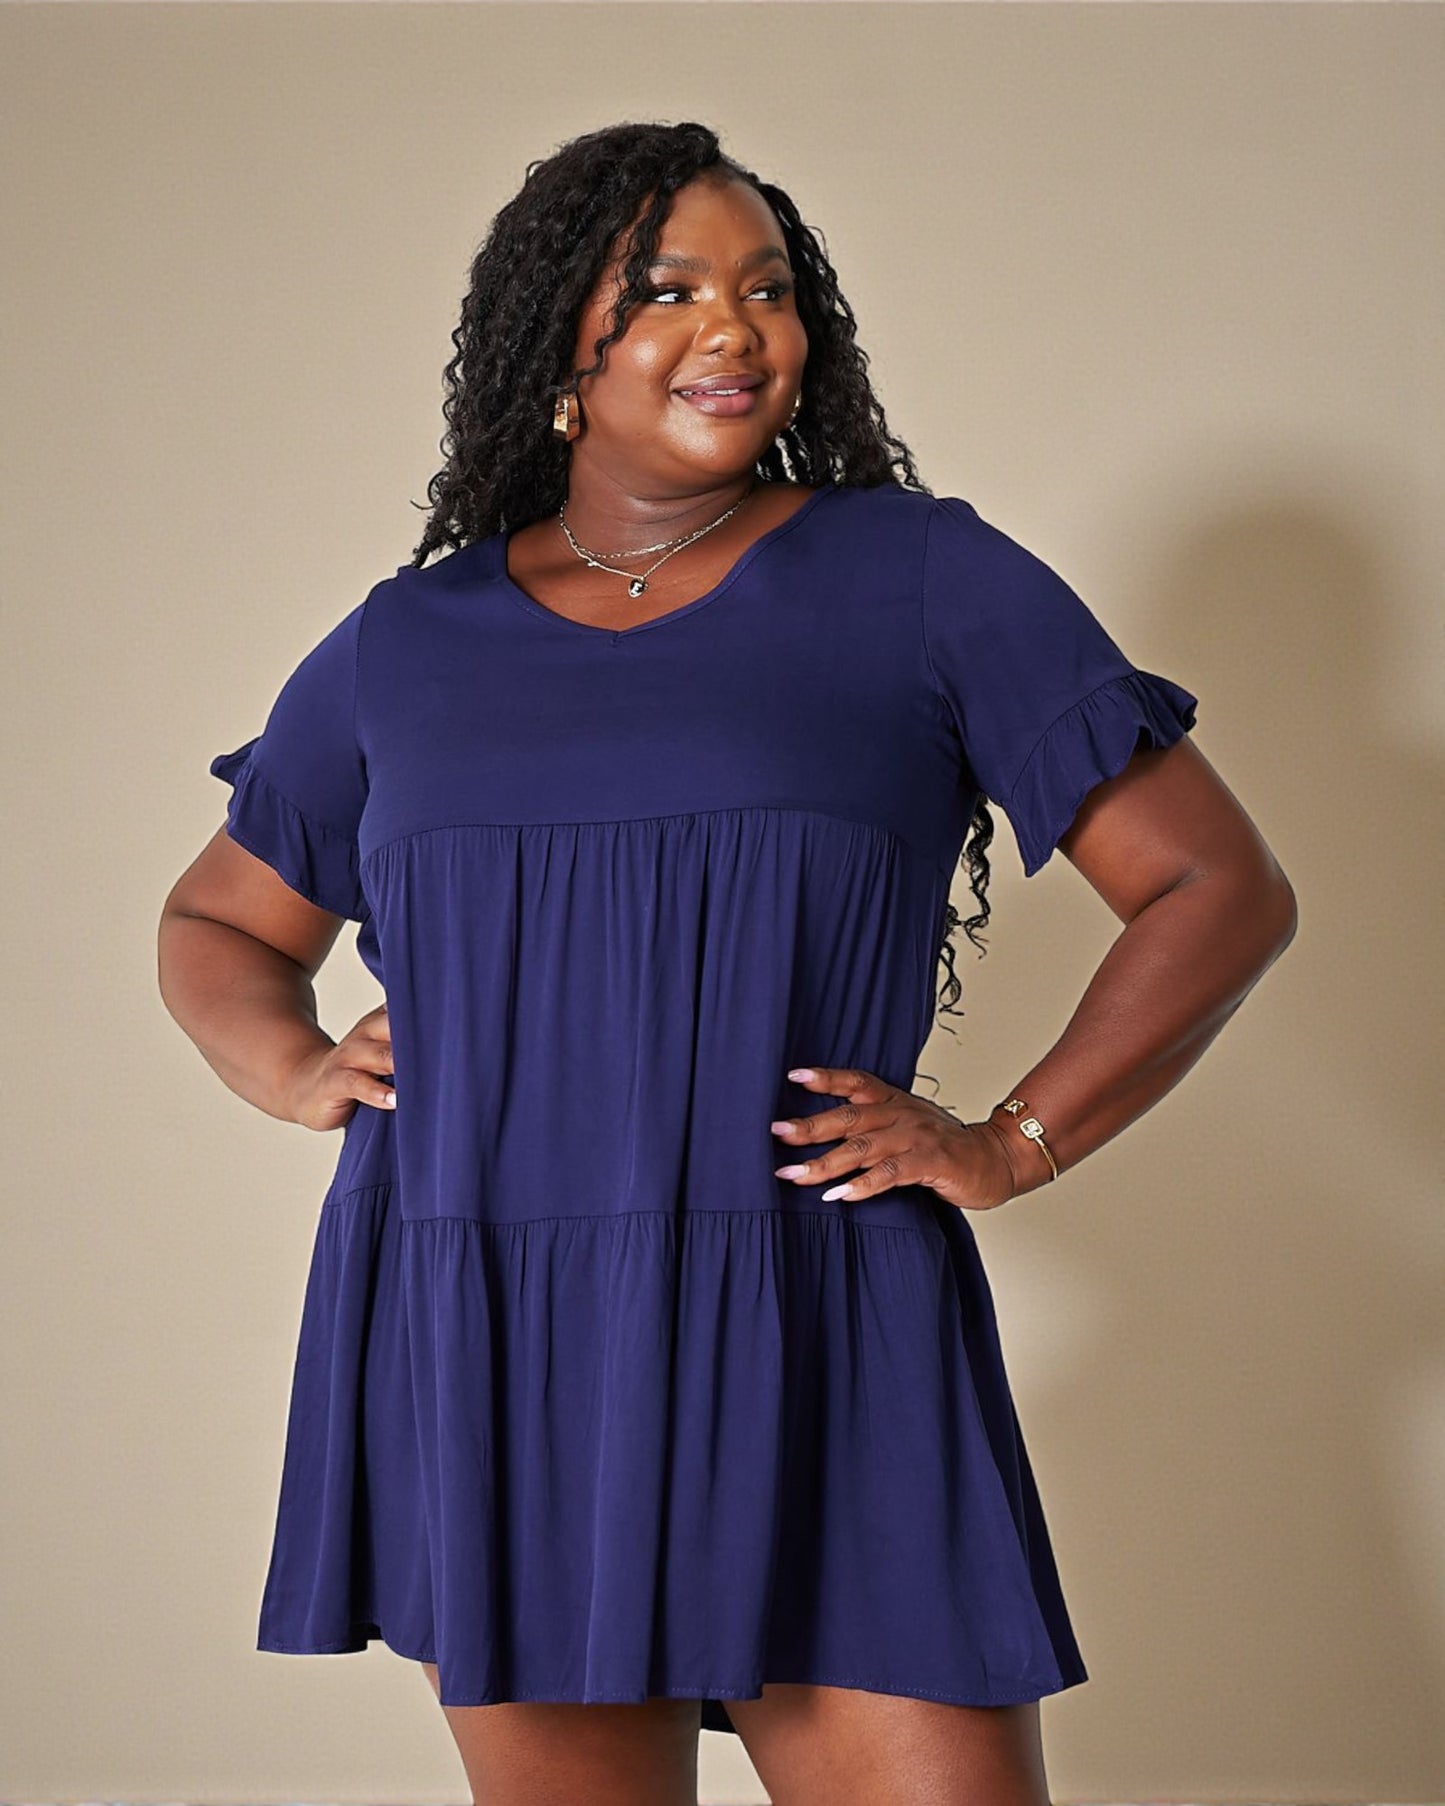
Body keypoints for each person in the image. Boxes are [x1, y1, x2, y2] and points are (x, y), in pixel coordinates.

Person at [157, 120, 1297, 1806]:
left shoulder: (919, 579)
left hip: (822, 1313)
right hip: (500, 1328)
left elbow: (1215, 884)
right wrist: (295, 1061)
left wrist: (1008, 1140)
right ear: (563, 341)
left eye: (767, 289)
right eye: (670, 288)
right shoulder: (408, 643)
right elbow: (219, 922)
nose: (735, 328)